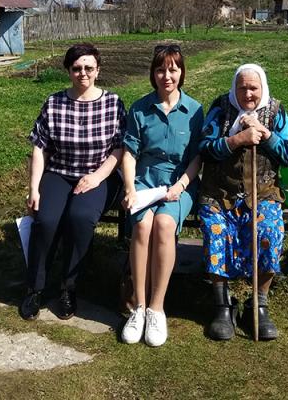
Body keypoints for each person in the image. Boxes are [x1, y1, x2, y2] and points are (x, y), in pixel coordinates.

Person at [20, 43, 126, 321]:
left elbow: (118, 149)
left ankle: (69, 286)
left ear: (98, 70)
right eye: (76, 68)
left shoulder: (113, 103)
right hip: (59, 172)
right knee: (47, 220)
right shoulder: (54, 103)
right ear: (68, 70)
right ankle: (35, 287)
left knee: (79, 218)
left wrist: (97, 177)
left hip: (98, 174)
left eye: (89, 68)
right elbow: (39, 148)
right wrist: (34, 189)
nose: (83, 73)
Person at [198, 63, 288, 341]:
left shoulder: (276, 112)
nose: (248, 94)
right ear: (234, 88)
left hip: (263, 191)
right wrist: (237, 139)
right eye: (242, 87)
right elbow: (204, 149)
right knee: (215, 230)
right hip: (220, 192)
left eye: (253, 87)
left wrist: (266, 136)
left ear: (262, 88)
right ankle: (222, 305)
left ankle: (258, 304)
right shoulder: (220, 108)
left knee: (269, 231)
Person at [120, 44, 203, 347]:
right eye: (160, 69)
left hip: (179, 182)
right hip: (145, 181)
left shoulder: (194, 110)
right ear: (152, 74)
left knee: (164, 226)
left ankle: (157, 308)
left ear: (181, 73)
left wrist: (181, 185)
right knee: (143, 226)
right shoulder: (140, 108)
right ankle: (138, 308)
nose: (166, 76)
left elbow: (197, 157)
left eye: (173, 69)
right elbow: (129, 153)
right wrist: (130, 188)